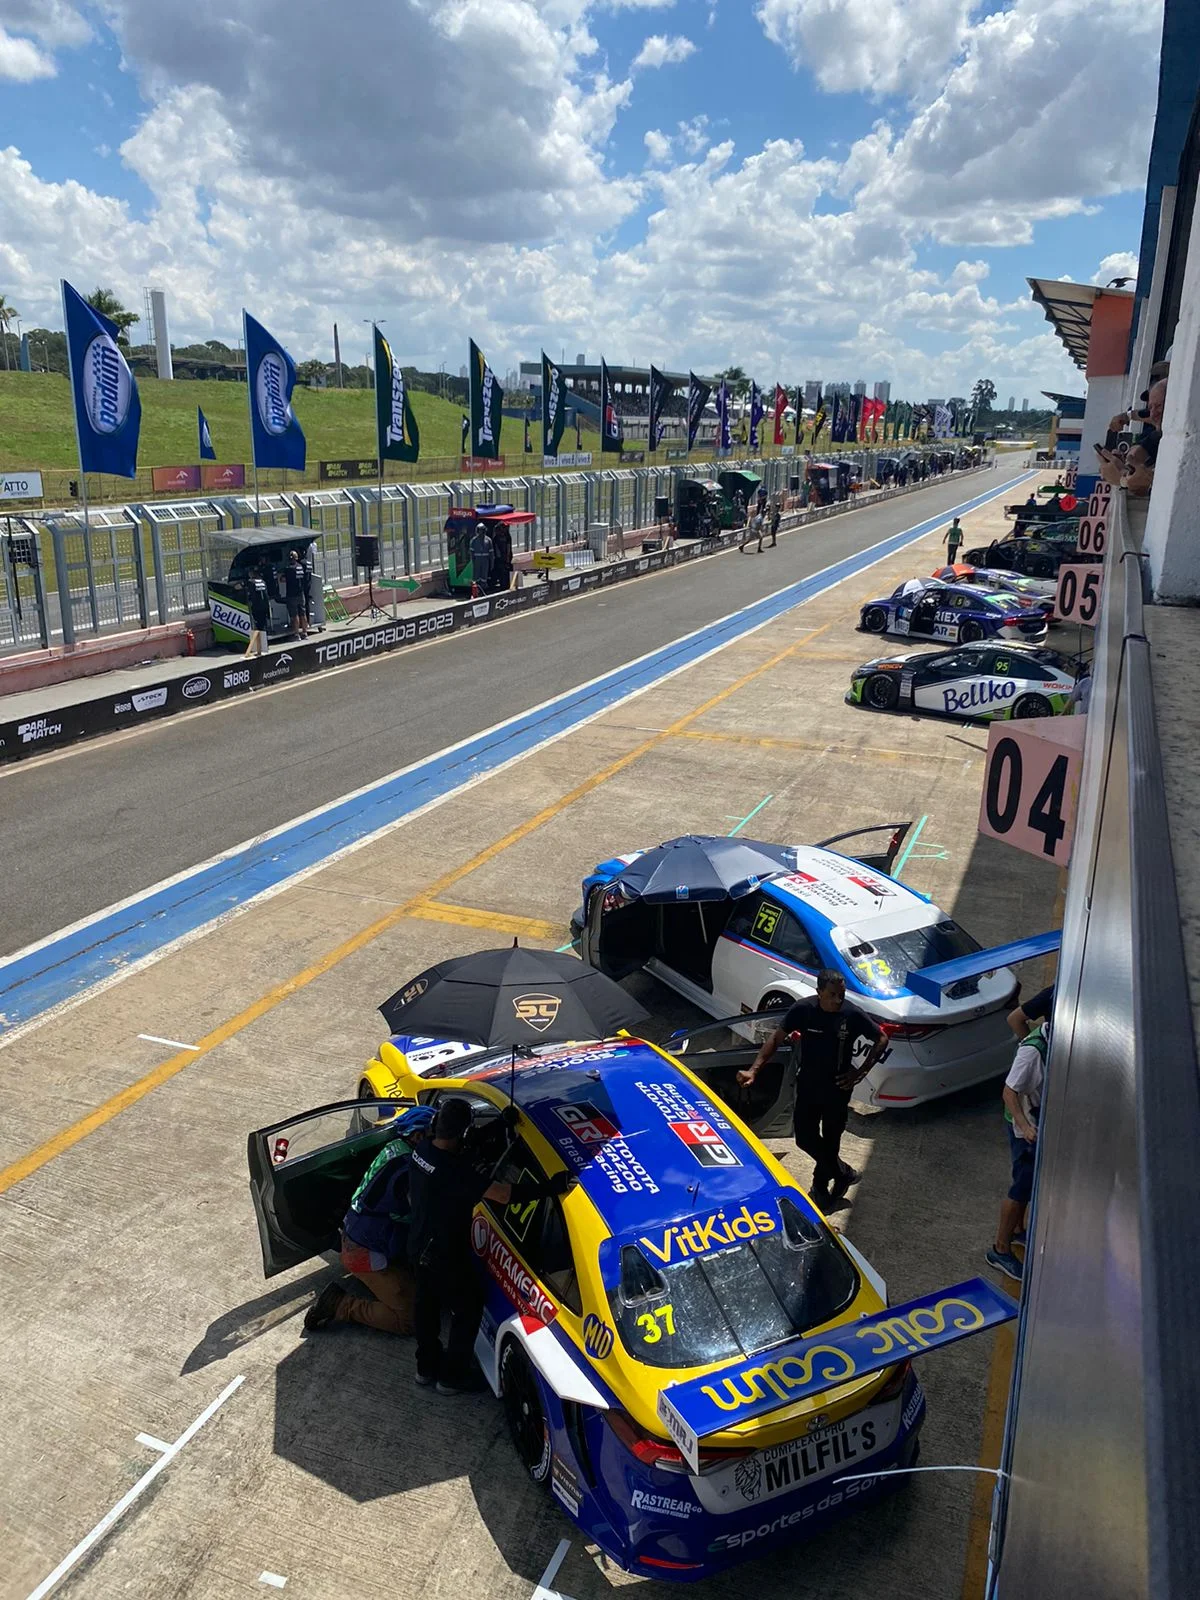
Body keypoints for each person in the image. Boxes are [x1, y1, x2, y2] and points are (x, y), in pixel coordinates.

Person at [408, 1097, 568, 1394]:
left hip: (418, 1245)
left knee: (426, 1308)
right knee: (467, 1308)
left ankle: (426, 1368)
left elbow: (463, 1144)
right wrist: (551, 1188)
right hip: (444, 1253)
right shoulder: (457, 1174)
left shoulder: (423, 1150)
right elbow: (504, 1195)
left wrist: (499, 1124)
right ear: (463, 1134)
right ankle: (452, 1378)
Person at [737, 971, 887, 1207]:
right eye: (832, 995)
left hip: (837, 1090)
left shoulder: (851, 1013)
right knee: (805, 1139)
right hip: (808, 1085)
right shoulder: (803, 1010)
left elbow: (881, 1038)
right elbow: (776, 1039)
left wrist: (859, 1073)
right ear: (819, 993)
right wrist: (754, 1070)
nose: (838, 1000)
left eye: (842, 994)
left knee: (831, 1139)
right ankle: (843, 1172)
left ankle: (820, 1187)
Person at [304, 1104, 436, 1335]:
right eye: (435, 1136)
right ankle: (342, 1305)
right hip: (366, 1251)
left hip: (362, 1235)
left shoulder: (396, 1148)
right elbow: (421, 1213)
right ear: (418, 1136)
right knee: (411, 1321)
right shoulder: (406, 1170)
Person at [986, 1020, 1049, 1282]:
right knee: (1020, 1187)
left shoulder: (1050, 1043)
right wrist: (1025, 1126)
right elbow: (1009, 1092)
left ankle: (1018, 1229)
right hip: (1027, 1130)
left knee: (1027, 1184)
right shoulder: (1033, 1052)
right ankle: (1001, 1248)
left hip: (1034, 1124)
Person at [243, 563, 271, 658]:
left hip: (256, 607)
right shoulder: (263, 582)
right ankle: (265, 645)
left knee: (257, 627)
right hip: (264, 606)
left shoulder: (251, 582)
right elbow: (266, 595)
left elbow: (250, 595)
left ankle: (260, 648)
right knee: (263, 626)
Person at [283, 549, 308, 638]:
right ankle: (305, 632)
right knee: (303, 613)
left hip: (292, 594)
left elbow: (282, 579)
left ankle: (297, 634)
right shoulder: (300, 567)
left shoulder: (288, 569)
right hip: (301, 594)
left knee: (295, 615)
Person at [469, 522, 494, 593]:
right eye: (480, 530)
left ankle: (484, 589)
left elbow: (491, 553)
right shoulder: (473, 541)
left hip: (485, 560)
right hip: (477, 560)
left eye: (483, 530)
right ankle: (476, 591)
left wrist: (492, 563)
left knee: (484, 576)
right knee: (476, 577)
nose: (481, 532)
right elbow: (471, 553)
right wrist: (473, 561)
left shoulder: (488, 540)